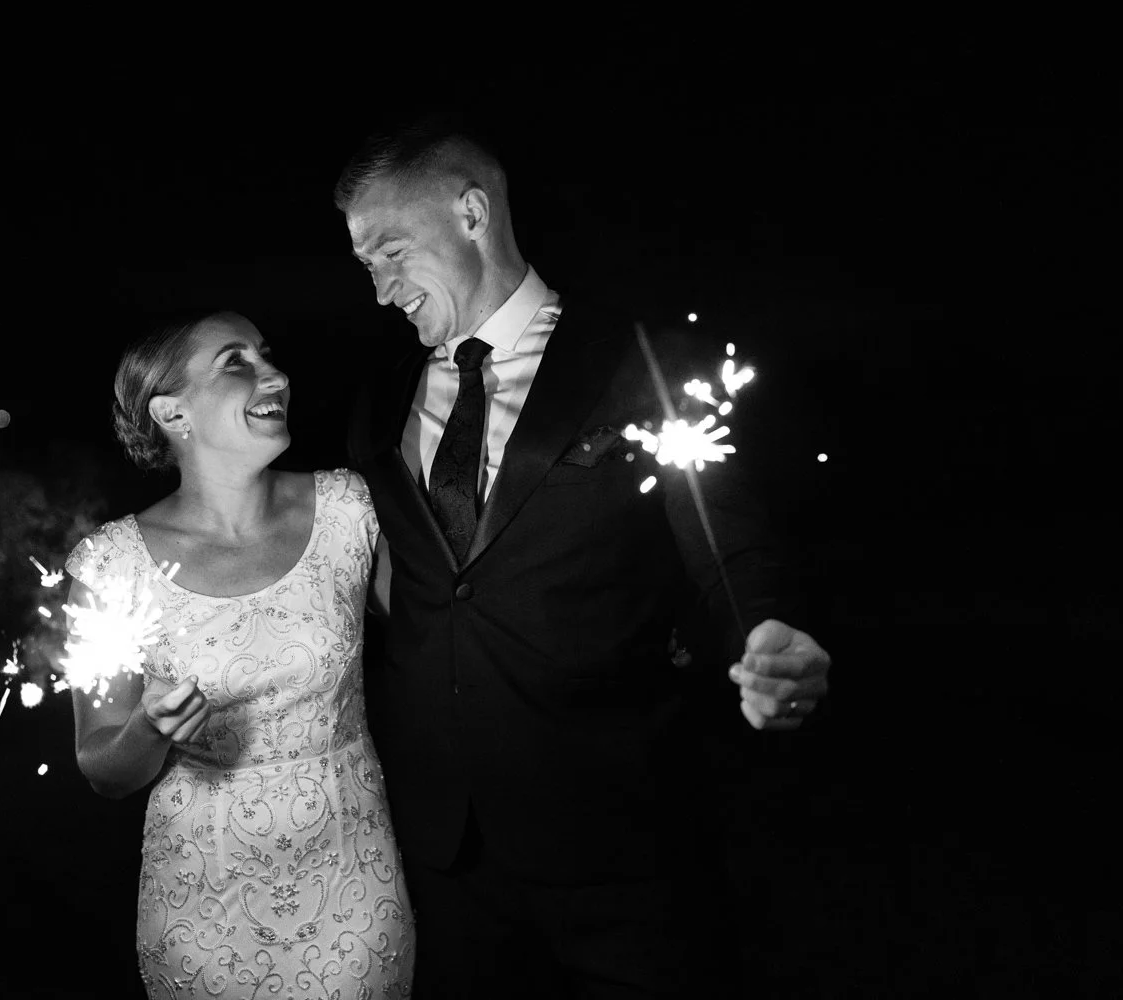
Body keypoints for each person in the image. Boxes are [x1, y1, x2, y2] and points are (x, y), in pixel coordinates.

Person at [338, 117, 833, 997]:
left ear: (471, 212)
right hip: (447, 853)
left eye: (388, 252)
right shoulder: (376, 400)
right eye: (364, 265)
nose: (379, 290)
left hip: (620, 837)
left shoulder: (634, 361)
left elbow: (728, 536)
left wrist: (769, 626)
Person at [64, 311, 414, 999]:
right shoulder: (112, 566)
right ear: (173, 412)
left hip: (353, 882)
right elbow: (104, 769)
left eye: (267, 356)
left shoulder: (349, 508)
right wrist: (148, 730)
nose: (274, 376)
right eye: (235, 362)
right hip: (203, 906)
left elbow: (451, 636)